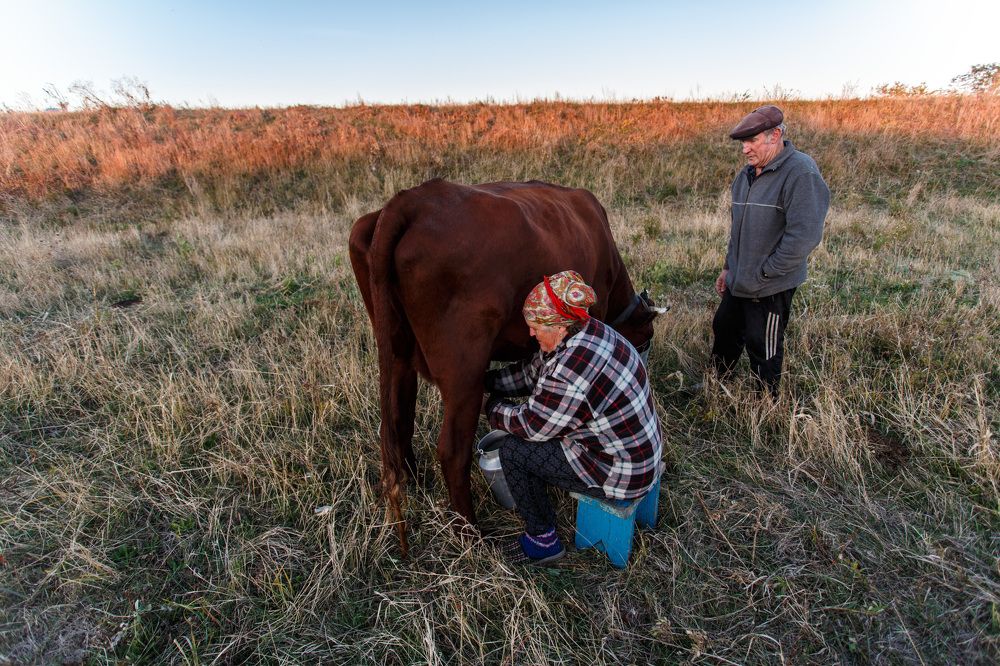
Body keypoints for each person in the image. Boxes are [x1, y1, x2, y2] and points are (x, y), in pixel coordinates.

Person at [482, 270, 663, 565]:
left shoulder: (569, 373)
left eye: (536, 327)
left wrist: (490, 408)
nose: (531, 333)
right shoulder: (589, 331)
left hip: (623, 471)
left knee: (513, 451)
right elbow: (531, 372)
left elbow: (532, 426)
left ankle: (542, 542)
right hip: (639, 453)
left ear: (559, 326)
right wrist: (488, 381)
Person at [711, 105, 830, 396]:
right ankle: (716, 384)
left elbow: (804, 235)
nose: (745, 150)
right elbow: (737, 229)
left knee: (762, 343)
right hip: (740, 278)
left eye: (752, 141)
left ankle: (766, 401)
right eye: (743, 142)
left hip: (770, 284)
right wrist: (729, 267)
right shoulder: (746, 176)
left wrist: (767, 271)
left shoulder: (801, 172)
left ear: (775, 135)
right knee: (724, 328)